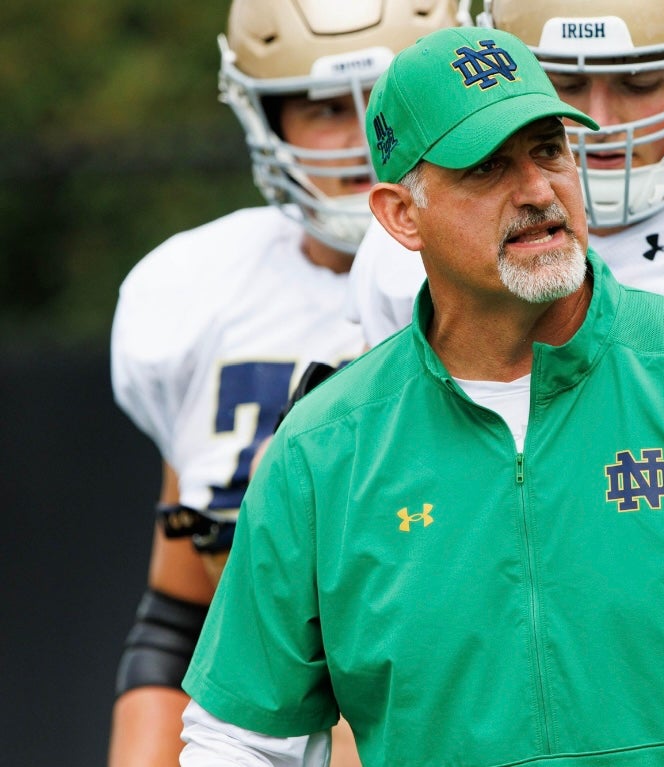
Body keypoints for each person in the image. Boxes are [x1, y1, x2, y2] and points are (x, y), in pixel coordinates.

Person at [177, 25, 664, 767]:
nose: (537, 190)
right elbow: (239, 734)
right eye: (486, 166)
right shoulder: (323, 448)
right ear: (399, 214)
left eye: (549, 150)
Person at [107, 1, 468, 764]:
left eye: (388, 96)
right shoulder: (192, 291)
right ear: (264, 116)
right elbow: (180, 615)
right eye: (323, 107)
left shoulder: (522, 279)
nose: (364, 136)